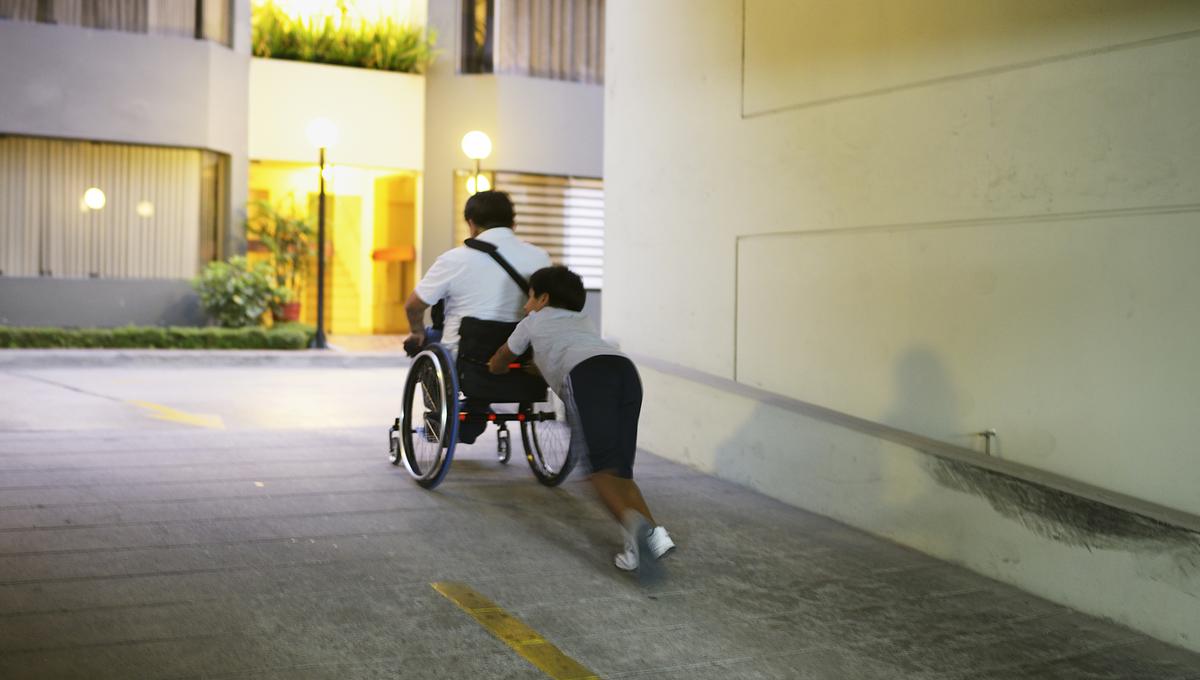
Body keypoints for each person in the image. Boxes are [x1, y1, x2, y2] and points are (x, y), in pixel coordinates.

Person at [487, 266, 675, 577]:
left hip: (587, 377)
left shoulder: (532, 322)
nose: (525, 305)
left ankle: (638, 534)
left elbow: (503, 356)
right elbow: (561, 349)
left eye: (529, 297)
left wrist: (495, 367)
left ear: (543, 298)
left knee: (600, 472)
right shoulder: (582, 321)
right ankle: (653, 538)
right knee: (620, 471)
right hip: (624, 372)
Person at [404, 191, 551, 443]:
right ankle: (477, 407)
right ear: (513, 223)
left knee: (425, 341)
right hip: (521, 354)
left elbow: (413, 305)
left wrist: (417, 331)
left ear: (471, 223)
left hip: (466, 357)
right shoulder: (540, 257)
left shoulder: (455, 259)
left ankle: (439, 413)